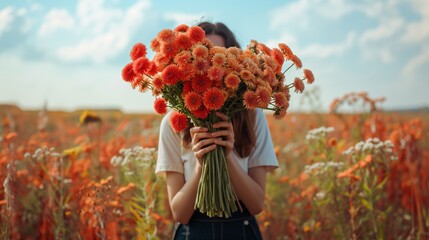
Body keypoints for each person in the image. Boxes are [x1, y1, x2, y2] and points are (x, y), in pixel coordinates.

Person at [155, 21, 279, 240]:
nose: (211, 63)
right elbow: (180, 213)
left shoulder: (253, 116)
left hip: (241, 229)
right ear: (188, 60)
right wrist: (201, 165)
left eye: (218, 57)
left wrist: (226, 156)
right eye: (203, 55)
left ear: (236, 65)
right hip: (193, 230)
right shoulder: (173, 123)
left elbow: (257, 204)